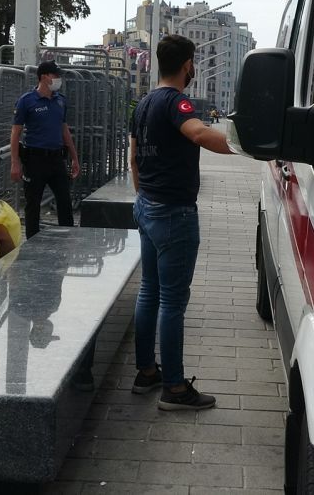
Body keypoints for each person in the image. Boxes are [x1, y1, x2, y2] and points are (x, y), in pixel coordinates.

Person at [129, 34, 235, 411]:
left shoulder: (143, 104)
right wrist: (244, 145)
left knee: (149, 293)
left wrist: (144, 199)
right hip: (174, 213)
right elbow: (198, 132)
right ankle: (174, 389)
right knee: (172, 302)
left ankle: (146, 372)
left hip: (147, 207)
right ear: (189, 63)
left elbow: (134, 159)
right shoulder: (177, 102)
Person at [9, 60, 81, 239]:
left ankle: (67, 239)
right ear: (44, 77)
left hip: (57, 159)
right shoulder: (27, 101)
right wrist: (15, 162)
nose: (58, 79)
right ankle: (31, 242)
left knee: (64, 201)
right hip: (35, 160)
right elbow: (15, 133)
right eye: (55, 75)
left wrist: (74, 157)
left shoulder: (60, 101)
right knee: (33, 204)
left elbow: (64, 130)